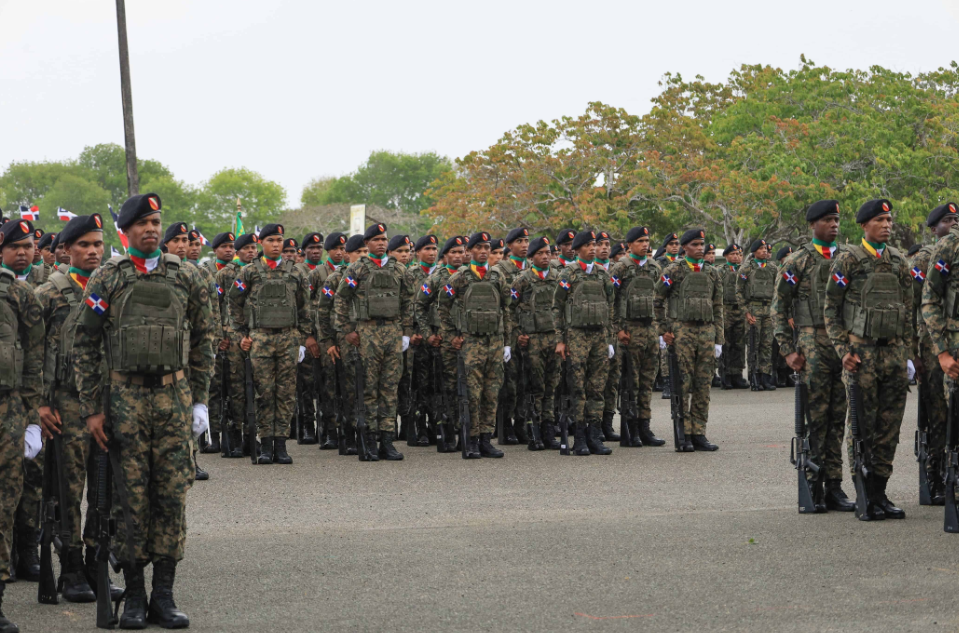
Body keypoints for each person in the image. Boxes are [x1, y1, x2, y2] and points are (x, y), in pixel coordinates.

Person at [73, 193, 214, 628]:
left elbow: (206, 339)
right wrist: (93, 409)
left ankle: (164, 596)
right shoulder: (107, 278)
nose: (151, 229)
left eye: (156, 221)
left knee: (171, 498)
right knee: (129, 502)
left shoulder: (187, 277)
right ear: (126, 231)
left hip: (173, 400)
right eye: (142, 223)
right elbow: (84, 343)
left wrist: (201, 401)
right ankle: (134, 594)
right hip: (124, 401)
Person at [34, 214, 117, 601]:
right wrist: (39, 404)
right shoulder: (48, 293)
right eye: (84, 245)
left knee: (105, 486)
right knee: (68, 489)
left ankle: (94, 559)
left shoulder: (112, 285)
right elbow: (32, 352)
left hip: (107, 401)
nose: (93, 251)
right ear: (65, 250)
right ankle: (69, 567)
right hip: (65, 403)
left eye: (98, 244)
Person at [824, 198, 911, 521]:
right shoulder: (848, 260)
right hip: (862, 355)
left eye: (889, 220)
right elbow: (831, 309)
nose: (887, 226)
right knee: (862, 426)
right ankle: (863, 492)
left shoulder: (900, 262)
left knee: (890, 427)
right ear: (864, 225)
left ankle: (880, 491)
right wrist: (842, 350)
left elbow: (909, 311)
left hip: (893, 354)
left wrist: (909, 354)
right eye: (880, 220)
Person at [772, 200, 855, 512]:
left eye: (836, 219)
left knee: (839, 418)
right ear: (813, 225)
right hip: (812, 343)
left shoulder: (848, 258)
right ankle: (812, 482)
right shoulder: (797, 261)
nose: (834, 225)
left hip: (842, 345)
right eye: (828, 220)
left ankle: (834, 485)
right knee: (816, 418)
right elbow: (778, 308)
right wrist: (788, 350)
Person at [229, 224, 315, 465]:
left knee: (286, 393)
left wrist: (302, 340)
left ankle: (281, 444)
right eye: (271, 240)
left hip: (288, 338)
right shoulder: (250, 272)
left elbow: (304, 307)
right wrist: (241, 333)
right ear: (261, 244)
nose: (276, 244)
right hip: (261, 339)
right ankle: (265, 443)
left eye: (280, 240)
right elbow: (233, 302)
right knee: (264, 392)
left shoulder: (296, 272)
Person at [333, 224, 413, 461]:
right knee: (368, 389)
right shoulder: (357, 269)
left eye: (384, 239)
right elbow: (341, 300)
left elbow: (409, 301)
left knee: (389, 388)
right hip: (366, 334)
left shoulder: (399, 269)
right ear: (366, 243)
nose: (381, 243)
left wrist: (406, 332)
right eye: (376, 239)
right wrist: (347, 330)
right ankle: (368, 440)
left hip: (392, 332)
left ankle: (387, 441)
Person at [0, 219, 45, 633]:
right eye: (16, 245)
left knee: (3, 501)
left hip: (8, 409)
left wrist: (31, 417)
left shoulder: (19, 293)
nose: (24, 252)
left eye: (29, 245)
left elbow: (34, 357)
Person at [438, 232, 511, 458]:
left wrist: (507, 342)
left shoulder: (498, 277)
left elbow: (507, 309)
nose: (483, 251)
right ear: (469, 252)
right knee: (471, 393)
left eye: (486, 247)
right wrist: (451, 336)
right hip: (471, 342)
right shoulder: (460, 277)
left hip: (495, 342)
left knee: (491, 392)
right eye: (478, 247)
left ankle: (486, 439)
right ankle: (470, 439)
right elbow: (442, 307)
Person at [655, 228, 724, 452]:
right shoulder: (673, 270)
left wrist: (718, 340)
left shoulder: (713, 272)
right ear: (685, 247)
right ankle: (683, 433)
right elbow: (656, 300)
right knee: (682, 384)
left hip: (706, 332)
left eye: (702, 244)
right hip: (681, 332)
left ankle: (699, 433)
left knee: (703, 385)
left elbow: (717, 307)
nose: (700, 248)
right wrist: (663, 330)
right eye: (695, 244)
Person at [911, 204, 958, 504]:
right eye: (947, 220)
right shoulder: (926, 258)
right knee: (938, 416)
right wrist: (916, 352)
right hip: (932, 346)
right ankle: (937, 474)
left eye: (956, 219)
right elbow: (916, 305)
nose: (953, 224)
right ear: (933, 228)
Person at [553, 230, 615, 456]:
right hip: (576, 336)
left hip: (599, 336)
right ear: (577, 249)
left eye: (594, 245)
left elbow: (611, 306)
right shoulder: (569, 273)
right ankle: (579, 437)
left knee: (597, 387)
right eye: (587, 245)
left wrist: (609, 338)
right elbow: (556, 306)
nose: (593, 248)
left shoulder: (602, 274)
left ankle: (594, 435)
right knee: (578, 387)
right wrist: (560, 340)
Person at [610, 226, 666, 447]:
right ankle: (630, 428)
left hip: (650, 330)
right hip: (629, 332)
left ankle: (645, 427)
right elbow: (611, 300)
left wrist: (661, 329)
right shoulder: (620, 268)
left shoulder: (654, 267)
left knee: (647, 382)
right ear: (629, 245)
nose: (645, 244)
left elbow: (660, 299)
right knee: (629, 383)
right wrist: (618, 329)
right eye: (640, 241)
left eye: (647, 240)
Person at [315, 234, 366, 456]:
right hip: (343, 341)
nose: (363, 256)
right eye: (358, 252)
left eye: (366, 252)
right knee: (347, 389)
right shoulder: (335, 279)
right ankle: (347, 434)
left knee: (367, 387)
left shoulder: (372, 275)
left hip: (369, 338)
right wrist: (327, 342)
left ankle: (367, 433)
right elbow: (323, 312)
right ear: (347, 254)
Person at [507, 236, 560, 450]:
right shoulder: (522, 280)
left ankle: (549, 428)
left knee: (552, 385)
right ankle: (534, 429)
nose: (546, 256)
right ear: (532, 257)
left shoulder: (558, 277)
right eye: (540, 253)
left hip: (553, 339)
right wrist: (517, 333)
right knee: (534, 386)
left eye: (548, 253)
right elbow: (509, 309)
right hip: (533, 340)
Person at [414, 236, 466, 451]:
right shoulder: (436, 278)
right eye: (452, 252)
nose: (457, 256)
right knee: (447, 388)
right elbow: (419, 306)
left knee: (468, 388)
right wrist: (428, 334)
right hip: (444, 342)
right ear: (445, 256)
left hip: (468, 340)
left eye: (461, 252)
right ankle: (448, 430)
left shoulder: (470, 276)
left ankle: (467, 431)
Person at [214, 233, 257, 456]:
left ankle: (253, 436)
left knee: (256, 388)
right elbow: (216, 306)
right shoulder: (225, 274)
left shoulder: (260, 271)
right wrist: (221, 334)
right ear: (238, 251)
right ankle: (235, 436)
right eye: (246, 248)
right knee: (236, 388)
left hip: (256, 335)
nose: (251, 251)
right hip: (232, 338)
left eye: (254, 247)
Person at [492, 228, 531, 445]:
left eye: (526, 240)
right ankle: (504, 426)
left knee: (526, 382)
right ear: (510, 246)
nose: (524, 245)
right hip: (511, 334)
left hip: (531, 333)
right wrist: (513, 334)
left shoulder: (532, 269)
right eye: (519, 241)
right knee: (509, 384)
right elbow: (503, 307)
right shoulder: (500, 270)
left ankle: (521, 424)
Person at [309, 232, 346, 450]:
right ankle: (330, 430)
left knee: (346, 383)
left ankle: (345, 428)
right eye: (335, 249)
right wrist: (309, 336)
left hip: (344, 334)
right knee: (328, 384)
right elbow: (306, 303)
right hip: (324, 336)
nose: (339, 252)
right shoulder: (317, 273)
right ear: (328, 251)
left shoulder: (349, 273)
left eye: (343, 249)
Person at [201, 232, 235, 454]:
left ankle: (231, 434)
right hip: (215, 338)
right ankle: (211, 434)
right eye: (224, 246)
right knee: (213, 389)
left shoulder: (241, 271)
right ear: (215, 250)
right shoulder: (208, 272)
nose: (229, 250)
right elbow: (212, 308)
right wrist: (218, 335)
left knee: (233, 388)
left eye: (232, 246)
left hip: (235, 338)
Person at [406, 235, 440, 446]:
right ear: (417, 253)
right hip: (417, 338)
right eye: (427, 249)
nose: (432, 252)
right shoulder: (410, 275)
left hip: (440, 336)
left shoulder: (443, 274)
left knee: (439, 383)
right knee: (419, 384)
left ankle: (438, 425)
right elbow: (406, 305)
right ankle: (420, 427)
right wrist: (410, 332)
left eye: (435, 248)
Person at [292, 232, 324, 446]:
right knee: (304, 384)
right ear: (303, 251)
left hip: (326, 336)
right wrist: (306, 337)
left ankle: (325, 425)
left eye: (319, 247)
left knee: (324, 384)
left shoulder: (326, 271)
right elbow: (298, 307)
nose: (315, 251)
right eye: (311, 247)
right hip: (307, 336)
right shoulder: (298, 272)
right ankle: (307, 426)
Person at [737, 239, 777, 391]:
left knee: (767, 344)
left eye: (766, 248)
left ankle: (765, 377)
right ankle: (754, 376)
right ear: (754, 251)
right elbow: (739, 291)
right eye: (761, 249)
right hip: (753, 309)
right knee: (754, 344)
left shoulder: (773, 268)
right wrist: (746, 312)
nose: (765, 251)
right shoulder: (746, 269)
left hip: (768, 310)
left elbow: (777, 289)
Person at [655, 233, 681, 399]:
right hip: (664, 309)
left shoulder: (681, 263)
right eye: (671, 244)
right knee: (666, 350)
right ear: (665, 246)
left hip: (678, 310)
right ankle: (666, 383)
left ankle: (679, 382)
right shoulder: (660, 264)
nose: (674, 246)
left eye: (677, 243)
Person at [719, 244, 748, 389]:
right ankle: (726, 375)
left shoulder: (744, 271)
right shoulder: (721, 271)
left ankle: (737, 374)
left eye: (738, 254)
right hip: (726, 309)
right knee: (727, 343)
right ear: (726, 256)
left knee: (739, 344)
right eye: (733, 254)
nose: (736, 256)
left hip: (740, 310)